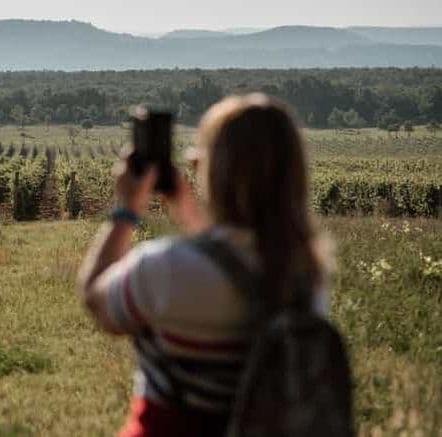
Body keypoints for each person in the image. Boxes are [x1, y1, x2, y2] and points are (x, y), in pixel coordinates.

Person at [78, 93, 333, 437]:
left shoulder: (167, 268)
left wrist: (126, 210)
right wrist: (192, 215)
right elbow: (229, 265)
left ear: (213, 170)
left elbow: (97, 300)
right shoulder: (307, 274)